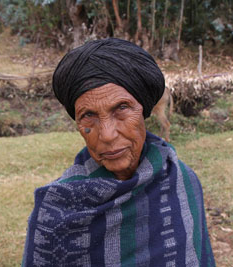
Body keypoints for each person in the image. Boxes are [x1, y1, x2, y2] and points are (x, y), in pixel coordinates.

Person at [22, 38, 215, 267]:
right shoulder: (56, 212)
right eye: (88, 116)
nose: (107, 135)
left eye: (121, 108)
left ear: (143, 110)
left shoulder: (181, 180)